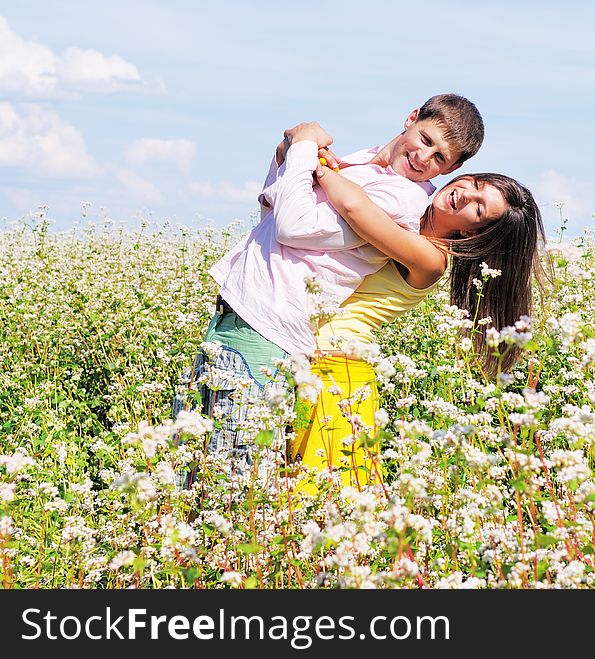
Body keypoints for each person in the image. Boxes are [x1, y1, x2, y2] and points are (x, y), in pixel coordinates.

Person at [174, 95, 484, 482]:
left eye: (439, 158)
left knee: (233, 480)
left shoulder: (402, 200)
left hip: (273, 330)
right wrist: (288, 150)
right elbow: (274, 212)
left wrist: (306, 149)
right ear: (410, 119)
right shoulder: (361, 163)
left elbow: (294, 226)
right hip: (238, 314)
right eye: (425, 140)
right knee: (190, 472)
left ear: (450, 168)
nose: (424, 158)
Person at [287, 157, 546, 495]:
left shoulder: (430, 257)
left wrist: (313, 161)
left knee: (320, 497)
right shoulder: (407, 212)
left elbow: (354, 207)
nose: (466, 194)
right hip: (304, 353)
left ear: (471, 232)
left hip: (340, 371)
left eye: (479, 209)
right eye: (476, 185)